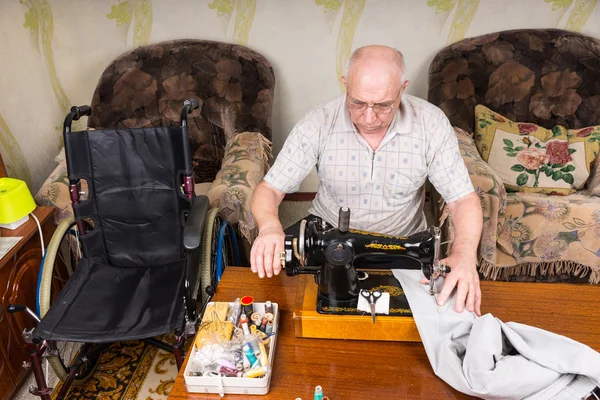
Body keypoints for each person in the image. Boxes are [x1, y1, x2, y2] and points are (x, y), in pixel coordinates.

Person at [249, 45, 483, 316]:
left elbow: (463, 199)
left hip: (401, 239)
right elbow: (269, 189)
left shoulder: (431, 124)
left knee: (436, 316)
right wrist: (268, 228)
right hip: (326, 233)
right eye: (357, 102)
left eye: (383, 105)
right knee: (275, 303)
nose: (369, 117)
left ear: (403, 88)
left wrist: (465, 254)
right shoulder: (317, 123)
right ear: (345, 84)